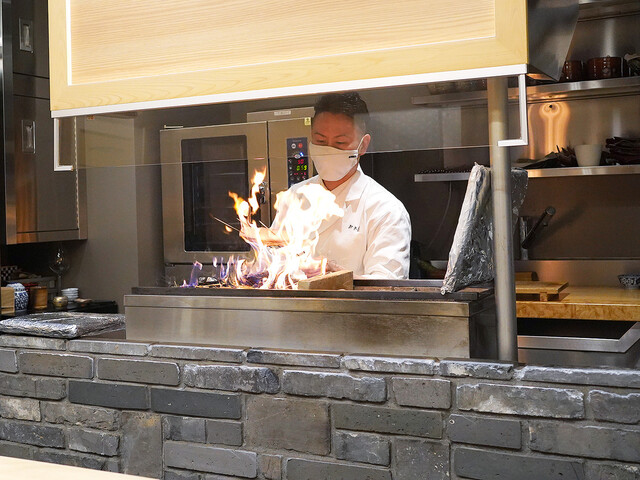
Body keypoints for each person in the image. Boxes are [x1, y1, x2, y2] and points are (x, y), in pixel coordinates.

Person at [254, 92, 411, 279]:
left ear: (363, 145)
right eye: (320, 141)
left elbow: (386, 285)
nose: (328, 150)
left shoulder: (385, 210)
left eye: (340, 143)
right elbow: (272, 262)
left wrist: (333, 275)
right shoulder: (295, 196)